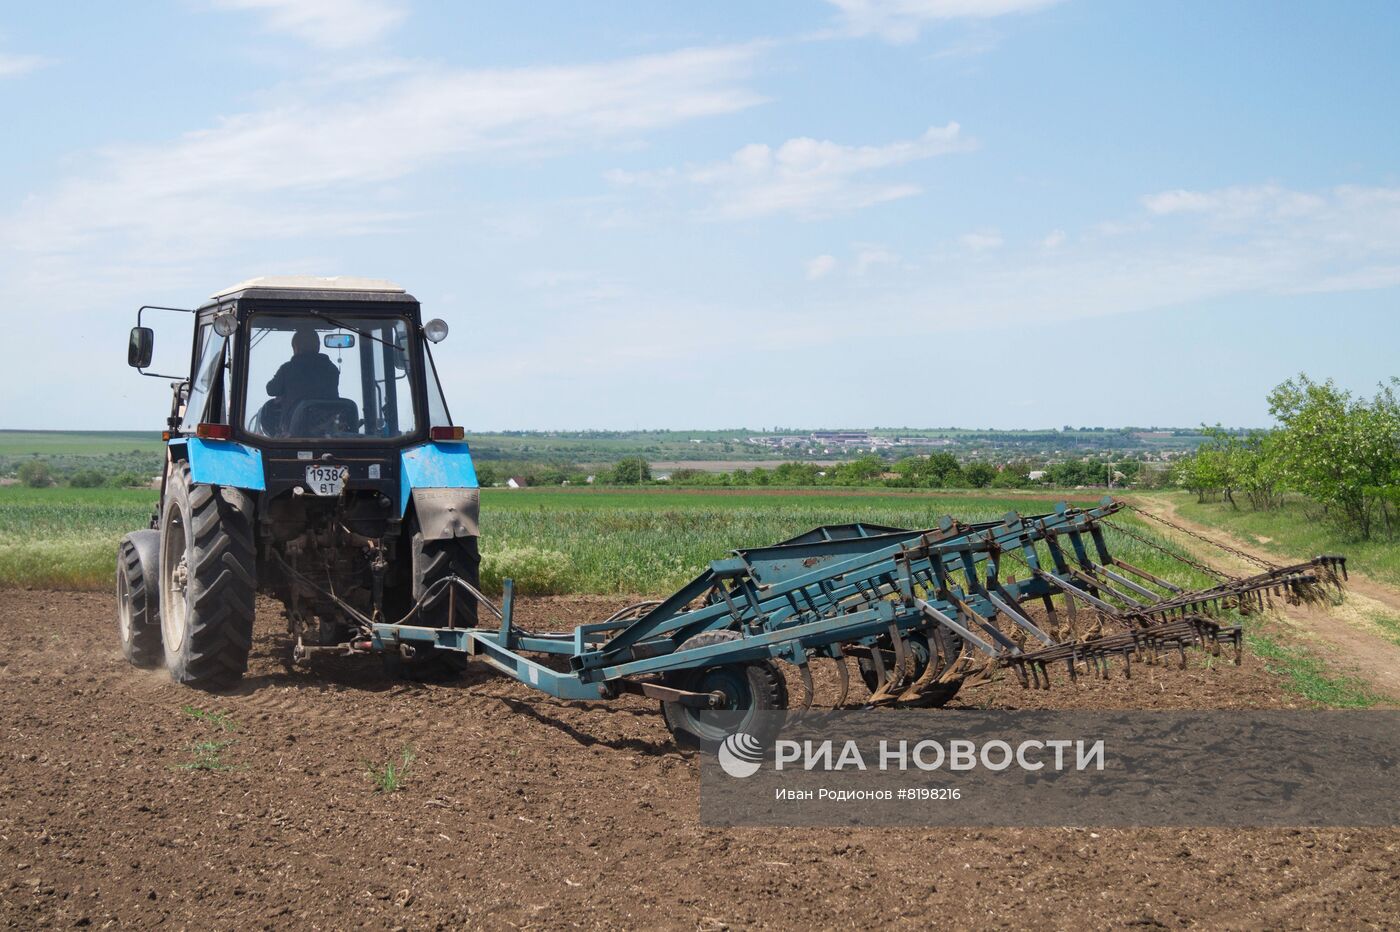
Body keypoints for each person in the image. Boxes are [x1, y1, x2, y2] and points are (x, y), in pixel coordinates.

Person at [265, 328, 341, 433]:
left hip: (296, 428)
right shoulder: (332, 369)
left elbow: (271, 390)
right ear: (318, 346)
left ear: (296, 348)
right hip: (329, 426)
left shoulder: (288, 369)